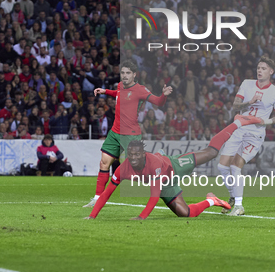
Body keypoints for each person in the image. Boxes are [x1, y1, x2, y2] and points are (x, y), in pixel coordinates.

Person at [85, 115, 263, 220]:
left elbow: (154, 196)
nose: (134, 158)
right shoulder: (122, 169)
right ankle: (212, 201)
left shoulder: (152, 164)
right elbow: (107, 193)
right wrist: (92, 216)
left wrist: (141, 217)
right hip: (164, 182)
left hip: (173, 166)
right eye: (131, 155)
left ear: (143, 154)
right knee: (185, 214)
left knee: (210, 153)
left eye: (137, 155)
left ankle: (238, 122)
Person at [83, 60, 172, 208]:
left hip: (130, 134)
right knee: (104, 163)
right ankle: (97, 198)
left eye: (128, 73)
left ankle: (158, 158)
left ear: (134, 75)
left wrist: (164, 95)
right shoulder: (119, 86)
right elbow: (119, 94)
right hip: (114, 132)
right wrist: (105, 91)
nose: (124, 76)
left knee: (137, 174)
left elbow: (158, 102)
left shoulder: (141, 90)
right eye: (122, 73)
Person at [217, 57, 275, 216]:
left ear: (271, 72)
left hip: (255, 134)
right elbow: (235, 105)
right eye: (258, 68)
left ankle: (239, 206)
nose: (259, 71)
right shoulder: (247, 84)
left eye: (263, 68)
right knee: (221, 167)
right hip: (239, 128)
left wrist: (264, 121)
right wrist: (250, 101)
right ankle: (233, 196)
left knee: (235, 166)